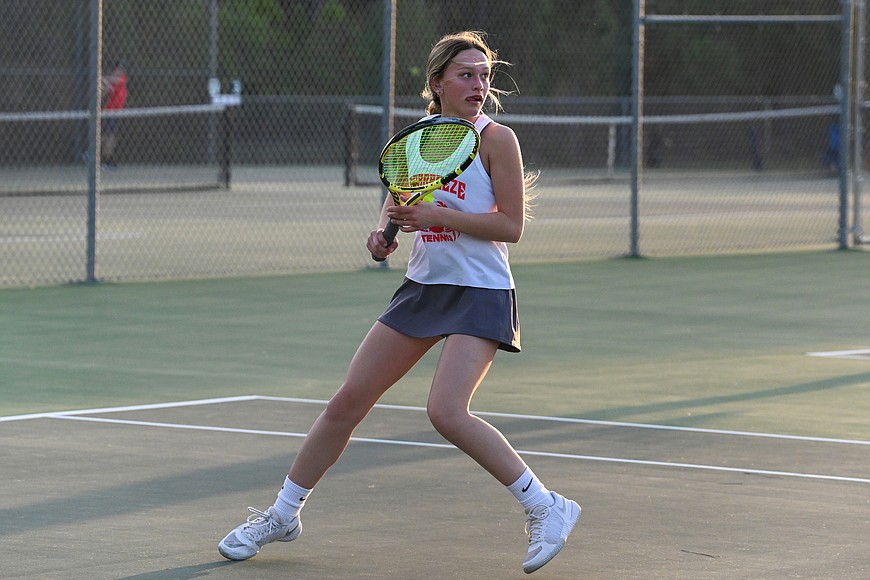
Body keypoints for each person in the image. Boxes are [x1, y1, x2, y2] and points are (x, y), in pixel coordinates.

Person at [217, 31, 580, 575]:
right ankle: (283, 514)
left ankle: (546, 506)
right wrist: (383, 235)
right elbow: (397, 207)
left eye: (484, 75)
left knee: (446, 412)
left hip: (480, 293)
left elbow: (511, 226)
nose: (479, 84)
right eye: (466, 74)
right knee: (347, 403)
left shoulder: (496, 139)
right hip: (421, 289)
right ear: (438, 83)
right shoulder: (417, 141)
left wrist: (440, 218)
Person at [101, 60, 127, 169]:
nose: (119, 71)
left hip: (115, 113)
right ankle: (99, 156)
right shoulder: (113, 81)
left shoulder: (122, 79)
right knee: (104, 136)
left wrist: (104, 79)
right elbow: (104, 92)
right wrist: (104, 85)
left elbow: (113, 81)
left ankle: (108, 160)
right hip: (108, 112)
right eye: (117, 69)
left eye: (121, 70)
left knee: (111, 136)